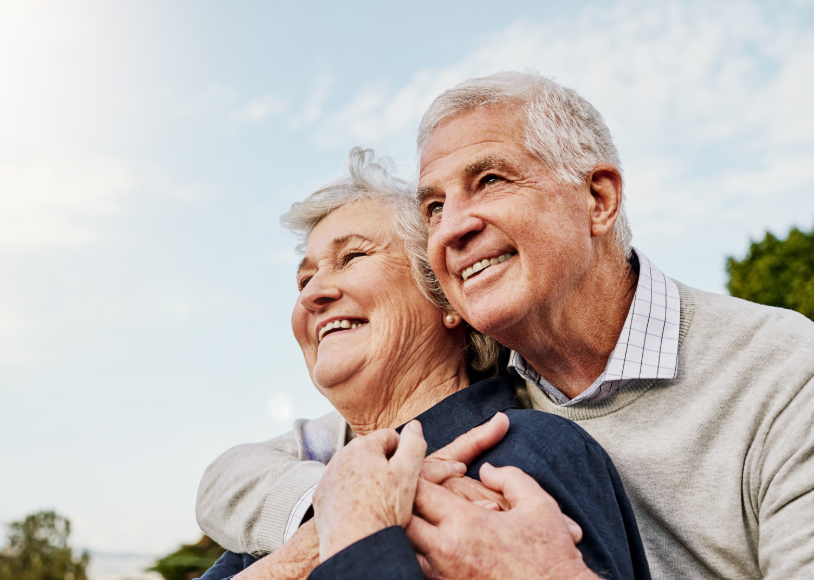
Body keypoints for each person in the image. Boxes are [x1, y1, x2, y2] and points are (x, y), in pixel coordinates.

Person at [198, 72, 814, 579]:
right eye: (434, 207)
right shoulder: (447, 417)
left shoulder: (786, 374)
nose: (454, 227)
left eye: (490, 179)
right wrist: (337, 509)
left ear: (598, 199)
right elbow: (230, 477)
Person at [197, 148, 649, 580]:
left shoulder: (524, 455)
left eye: (352, 256)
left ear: (446, 296)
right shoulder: (298, 499)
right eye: (305, 277)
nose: (312, 294)